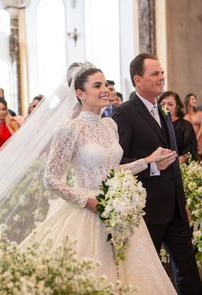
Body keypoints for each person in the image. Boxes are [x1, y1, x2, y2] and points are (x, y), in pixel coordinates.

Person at [20, 62, 177, 294]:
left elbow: (113, 171)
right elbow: (51, 178)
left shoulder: (110, 125)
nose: (105, 89)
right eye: (97, 85)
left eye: (105, 84)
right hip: (87, 211)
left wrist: (148, 161)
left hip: (119, 214)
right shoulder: (69, 128)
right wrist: (88, 201)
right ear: (80, 94)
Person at [112, 53, 202, 295]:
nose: (162, 77)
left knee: (189, 274)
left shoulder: (162, 111)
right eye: (155, 74)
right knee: (146, 275)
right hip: (147, 211)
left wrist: (180, 201)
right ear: (138, 80)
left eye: (162, 72)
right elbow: (117, 162)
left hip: (174, 210)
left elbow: (172, 161)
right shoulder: (125, 114)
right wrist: (151, 166)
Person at [158, 91, 198, 163]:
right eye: (163, 104)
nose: (166, 107)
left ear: (177, 108)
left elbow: (189, 151)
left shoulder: (185, 125)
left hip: (180, 166)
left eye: (170, 104)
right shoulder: (157, 124)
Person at [184, 93, 202, 159]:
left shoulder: (199, 114)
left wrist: (196, 138)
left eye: (195, 99)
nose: (194, 101)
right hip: (190, 142)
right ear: (187, 100)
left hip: (200, 139)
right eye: (192, 99)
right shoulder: (184, 116)